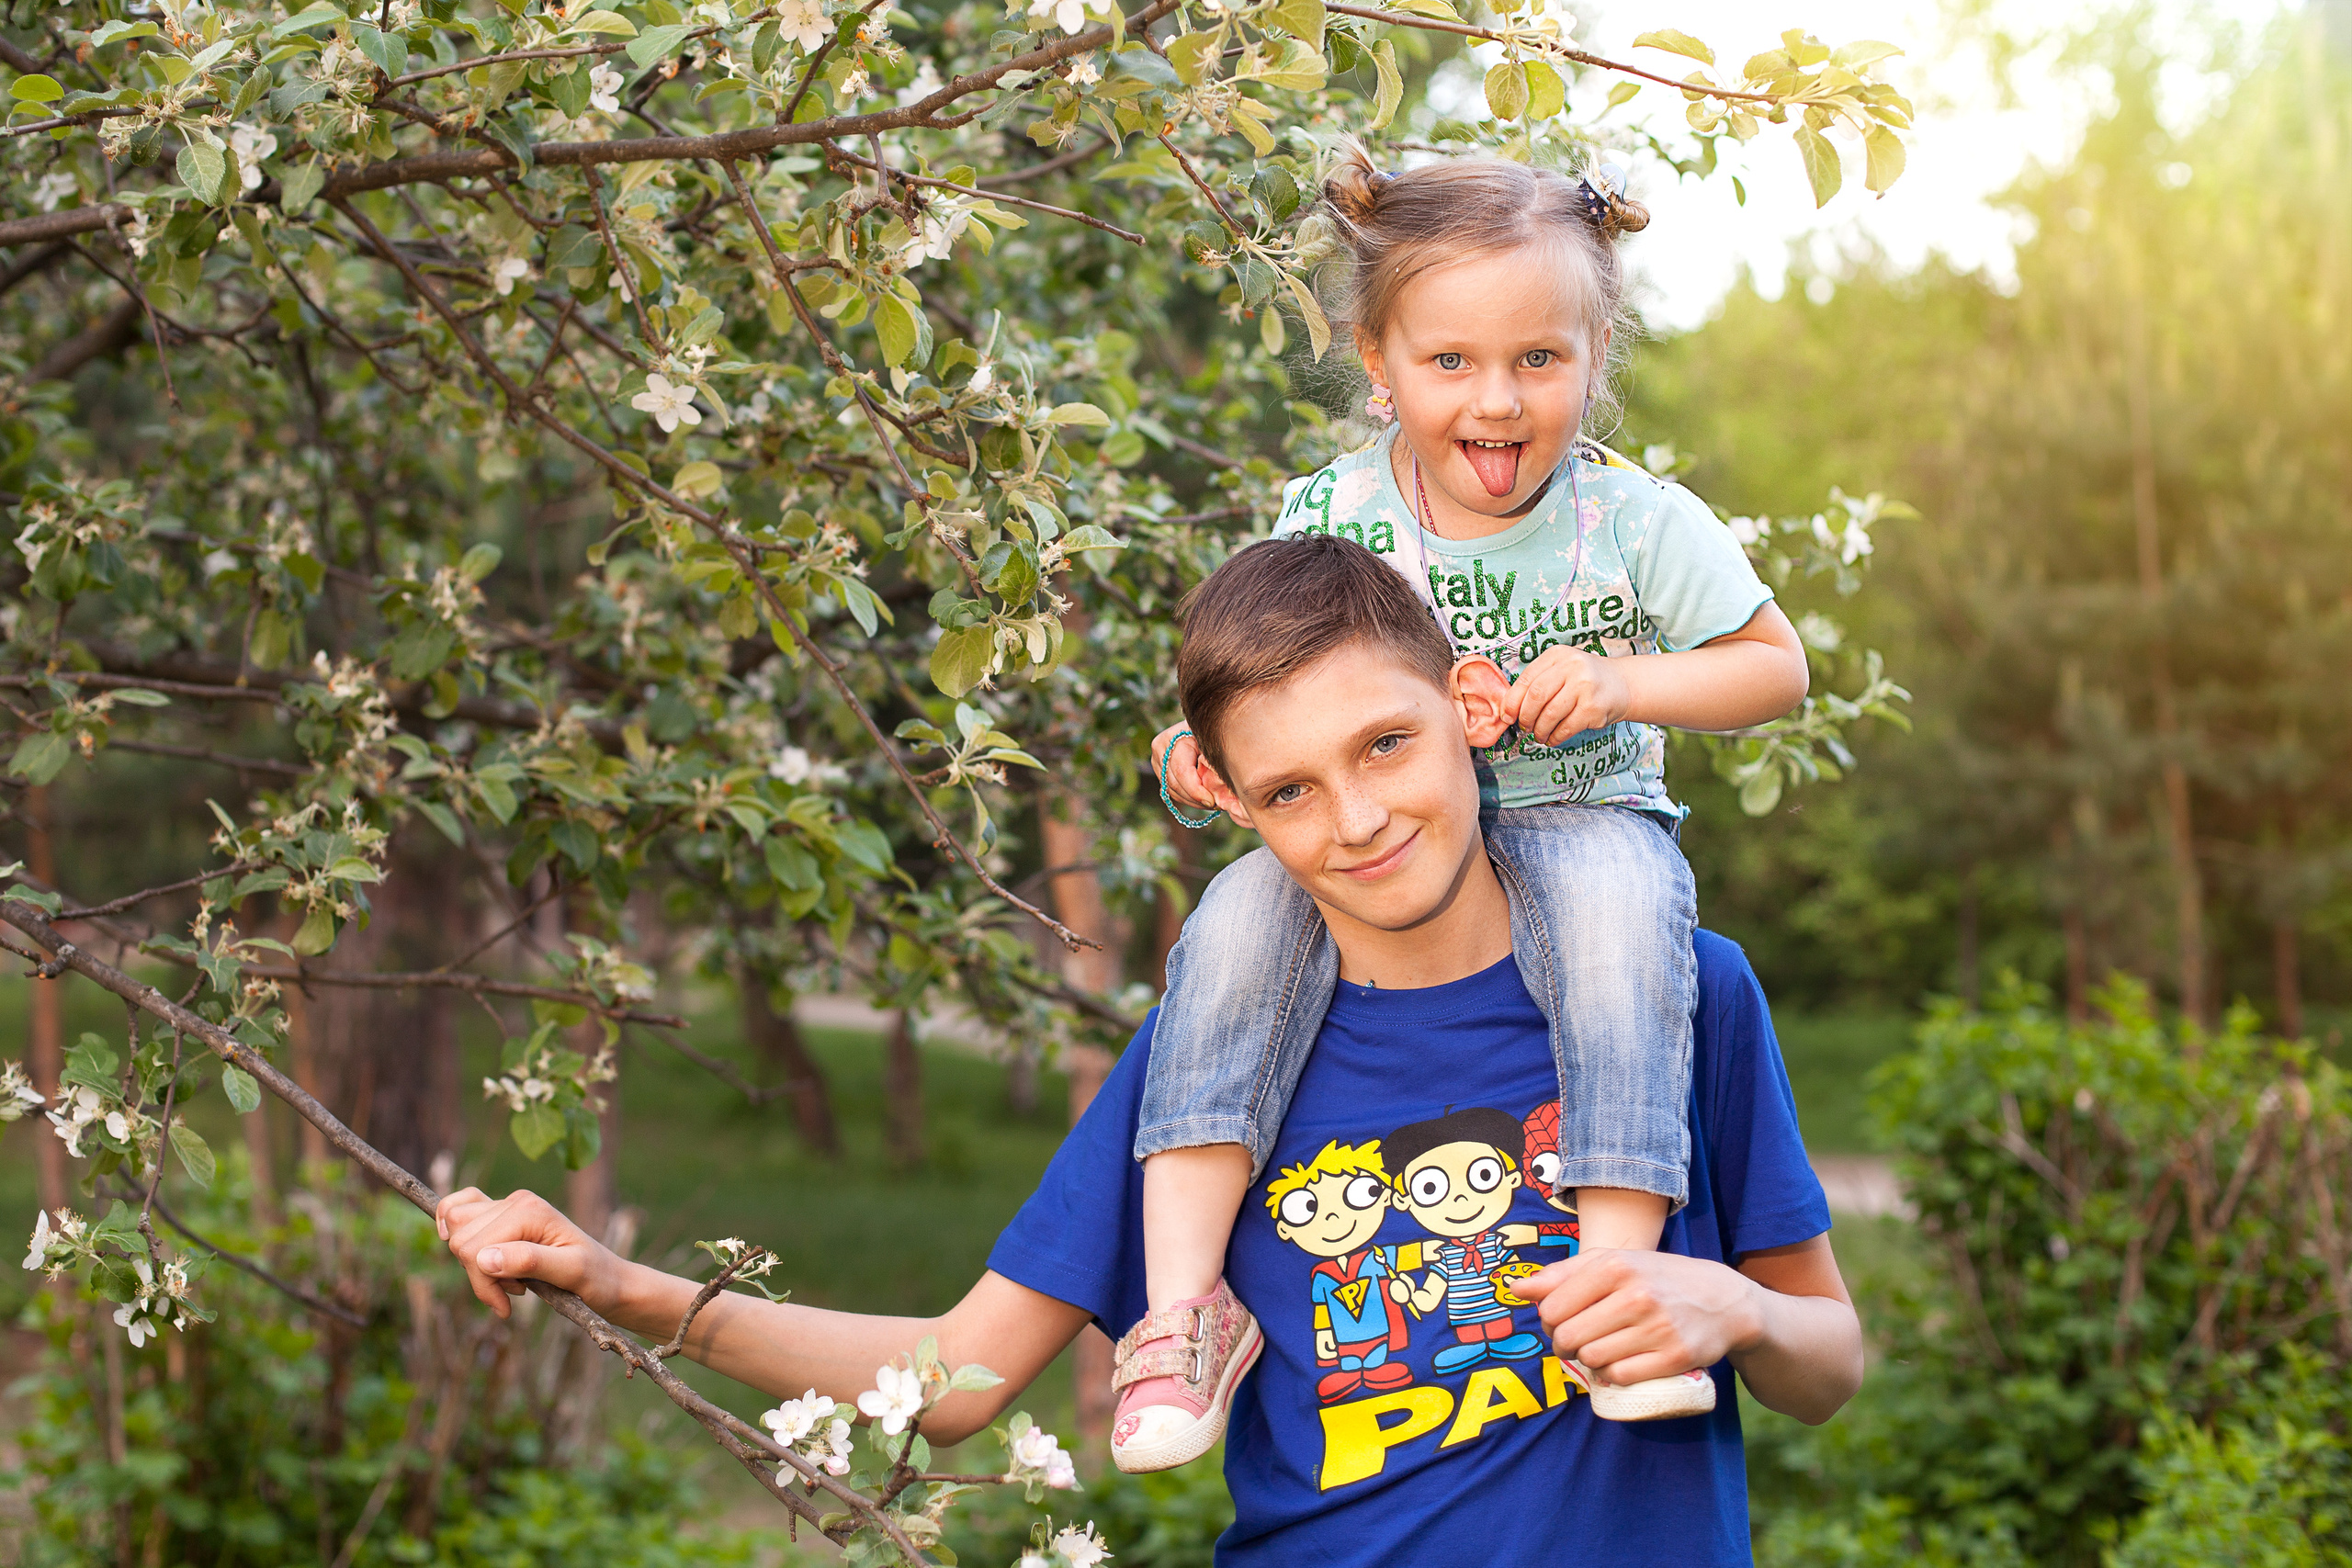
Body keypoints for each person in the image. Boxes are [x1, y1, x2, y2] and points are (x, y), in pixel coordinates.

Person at [435, 535, 1863, 1567]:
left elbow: (1828, 1362)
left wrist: (1731, 1313)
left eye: (1384, 747)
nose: (1355, 821)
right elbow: (961, 1379)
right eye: (1291, 789)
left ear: (1467, 714)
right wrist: (623, 1287)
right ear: (1235, 807)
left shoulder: (1680, 992)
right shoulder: (1211, 1072)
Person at [1126, 143, 1811, 1468]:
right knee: (1228, 926)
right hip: (1379, 833)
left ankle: (1616, 1298)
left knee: (1624, 933)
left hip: (1579, 817)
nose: (1496, 404)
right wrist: (1197, 757)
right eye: (1450, 363)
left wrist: (1618, 683)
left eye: (1538, 362)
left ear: (1592, 353)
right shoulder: (1332, 511)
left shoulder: (1633, 520)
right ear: (1377, 362)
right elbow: (1269, 691)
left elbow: (1773, 667)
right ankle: (1181, 1310)